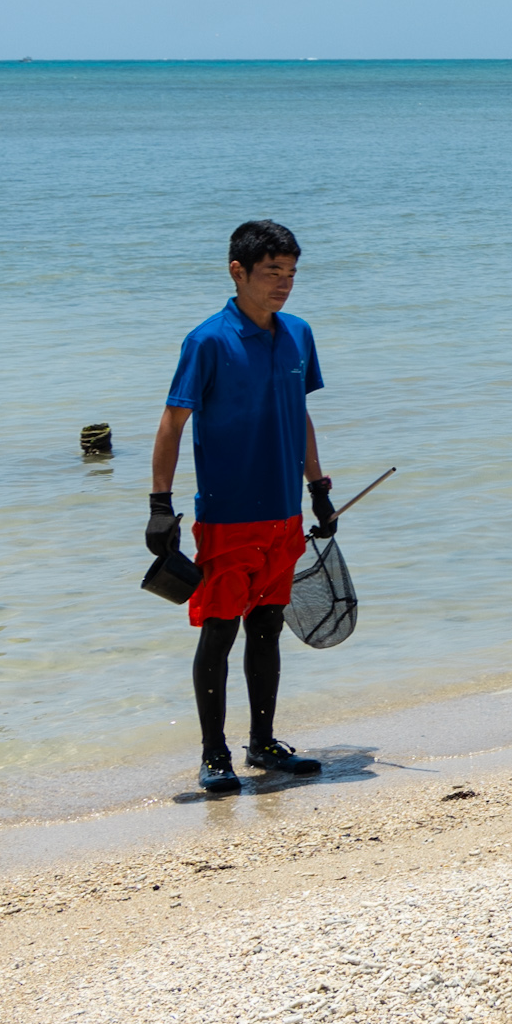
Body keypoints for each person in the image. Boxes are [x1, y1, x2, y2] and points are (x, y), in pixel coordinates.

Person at [147, 220, 336, 795]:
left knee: (268, 630)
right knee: (220, 631)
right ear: (238, 271)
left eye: (291, 273)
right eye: (272, 273)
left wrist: (318, 488)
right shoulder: (207, 340)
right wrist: (160, 505)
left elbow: (299, 414)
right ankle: (214, 754)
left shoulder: (298, 334)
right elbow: (172, 422)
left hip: (283, 513)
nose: (284, 284)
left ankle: (264, 743)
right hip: (227, 516)